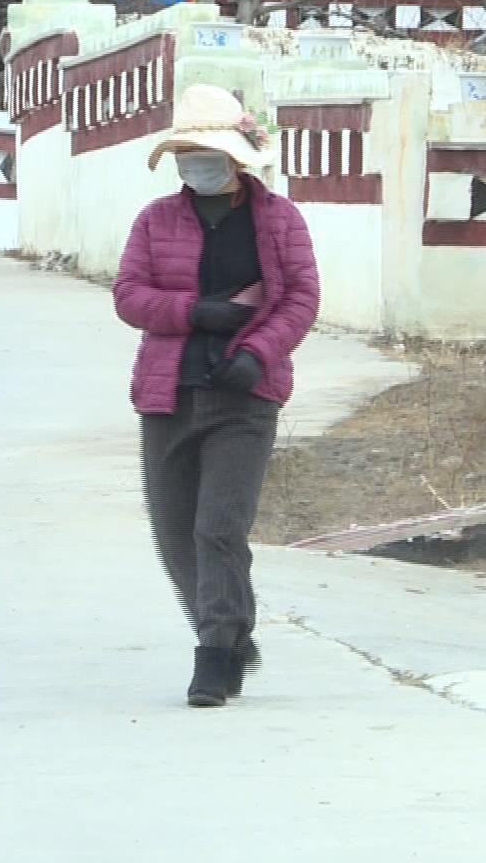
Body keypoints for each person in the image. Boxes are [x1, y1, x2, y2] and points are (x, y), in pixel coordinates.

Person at [111, 83, 321, 708]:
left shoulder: (278, 220)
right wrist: (194, 312)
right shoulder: (155, 220)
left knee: (219, 527)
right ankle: (231, 630)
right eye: (187, 154)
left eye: (206, 154)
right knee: (175, 530)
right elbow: (129, 295)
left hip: (245, 397)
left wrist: (257, 354)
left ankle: (215, 651)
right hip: (168, 393)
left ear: (235, 158)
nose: (195, 165)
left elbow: (301, 298)